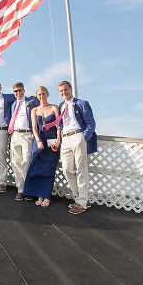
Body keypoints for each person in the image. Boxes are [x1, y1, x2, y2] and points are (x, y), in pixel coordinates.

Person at [57, 80, 97, 214]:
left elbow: (91, 123)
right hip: (65, 138)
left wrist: (84, 138)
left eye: (66, 89)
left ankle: (82, 202)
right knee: (66, 170)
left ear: (71, 89)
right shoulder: (61, 106)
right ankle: (79, 197)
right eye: (61, 91)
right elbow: (61, 124)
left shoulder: (81, 103)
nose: (64, 92)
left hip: (78, 136)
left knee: (81, 170)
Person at [22, 86, 61, 208]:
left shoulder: (54, 108)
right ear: (37, 96)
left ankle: (46, 196)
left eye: (43, 94)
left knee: (49, 169)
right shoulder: (34, 110)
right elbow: (34, 127)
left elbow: (59, 126)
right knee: (37, 167)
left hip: (52, 141)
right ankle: (39, 194)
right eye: (39, 94)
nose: (42, 96)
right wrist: (38, 140)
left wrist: (58, 140)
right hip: (39, 141)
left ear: (47, 94)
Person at [7, 82, 39, 201]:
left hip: (27, 134)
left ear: (24, 91)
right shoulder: (13, 104)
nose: (18, 93)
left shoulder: (32, 101)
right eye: (16, 91)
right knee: (16, 162)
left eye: (20, 90)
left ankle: (28, 188)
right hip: (15, 134)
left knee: (26, 161)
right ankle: (20, 189)